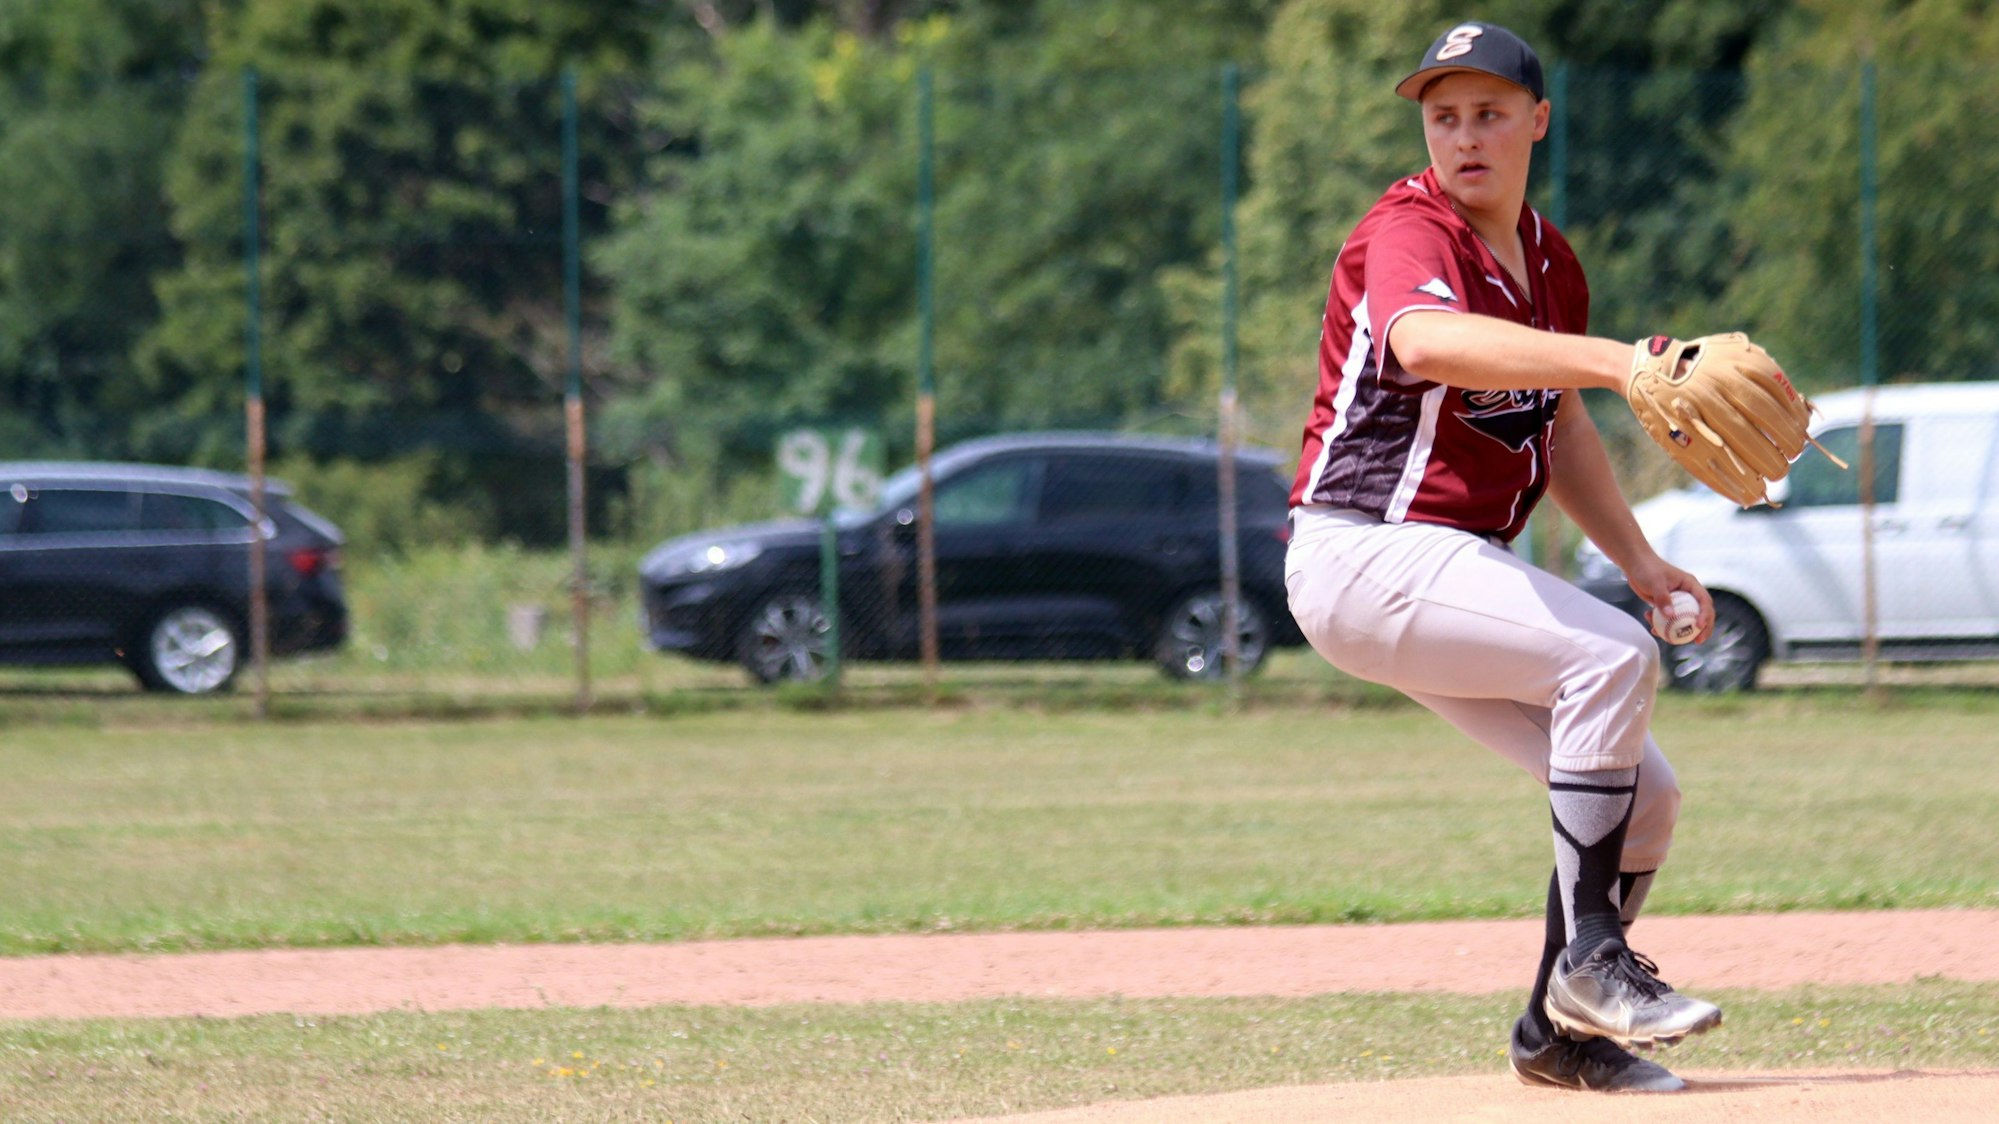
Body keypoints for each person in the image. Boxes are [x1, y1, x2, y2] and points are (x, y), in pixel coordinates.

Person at [1283, 21, 1724, 1094]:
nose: (1464, 135)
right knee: (1611, 662)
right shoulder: (1408, 229)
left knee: (1645, 793)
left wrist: (1641, 559)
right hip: (1362, 549)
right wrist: (1624, 360)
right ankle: (1592, 963)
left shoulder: (1548, 261)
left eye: (1488, 112)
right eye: (1443, 115)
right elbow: (1427, 343)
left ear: (1537, 120)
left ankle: (1555, 1035)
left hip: (1438, 567)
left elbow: (1555, 422)